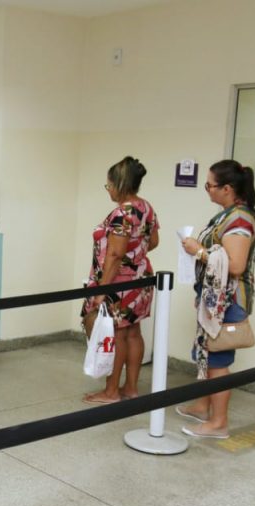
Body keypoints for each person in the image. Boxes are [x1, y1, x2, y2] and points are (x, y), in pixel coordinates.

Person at [178, 160, 255, 438]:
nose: (207, 190)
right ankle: (204, 406)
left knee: (217, 359)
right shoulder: (227, 215)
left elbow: (235, 265)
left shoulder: (240, 219)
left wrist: (198, 251)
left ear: (227, 188)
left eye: (210, 185)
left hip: (229, 301)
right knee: (206, 352)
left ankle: (219, 423)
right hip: (215, 298)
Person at [81, 156, 160, 404]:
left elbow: (114, 255)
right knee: (133, 332)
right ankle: (131, 388)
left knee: (115, 334)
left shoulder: (121, 214)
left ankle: (111, 391)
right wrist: (135, 258)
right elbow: (153, 241)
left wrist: (101, 290)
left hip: (118, 283)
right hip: (140, 279)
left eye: (109, 185)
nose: (108, 190)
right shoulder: (145, 207)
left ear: (120, 185)